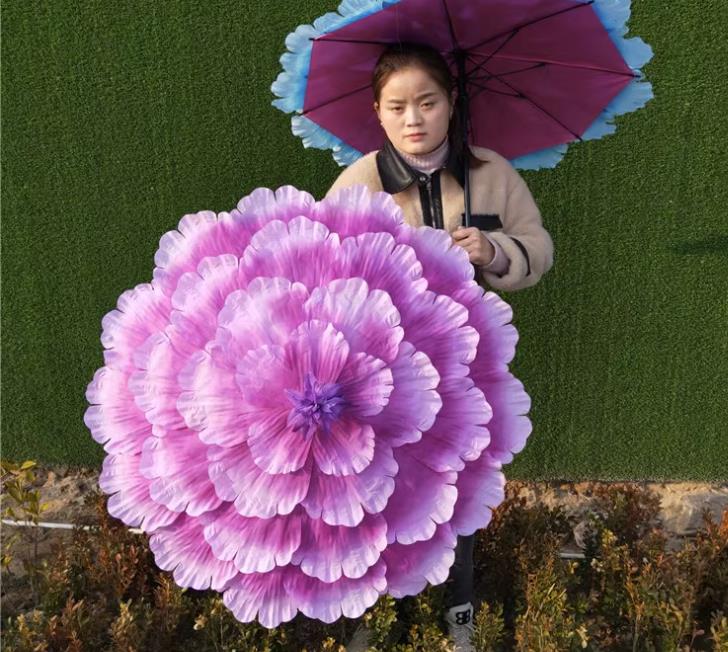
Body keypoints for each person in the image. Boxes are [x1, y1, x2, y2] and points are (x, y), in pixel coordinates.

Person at [326, 43, 554, 652]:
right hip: (381, 385)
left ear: (452, 104)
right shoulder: (360, 183)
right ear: (377, 113)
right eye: (397, 106)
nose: (414, 119)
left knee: (459, 491)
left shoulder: (491, 174)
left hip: (467, 377)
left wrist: (492, 250)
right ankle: (366, 617)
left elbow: (538, 248)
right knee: (372, 494)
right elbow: (326, 278)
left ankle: (459, 613)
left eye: (427, 102)